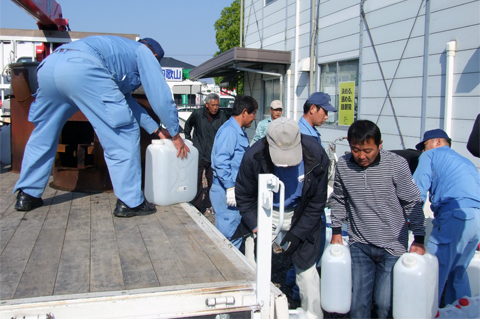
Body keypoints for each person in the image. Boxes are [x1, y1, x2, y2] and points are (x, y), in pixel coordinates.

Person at [13, 36, 189, 217]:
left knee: (43, 134)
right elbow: (160, 95)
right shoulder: (143, 52)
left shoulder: (118, 51)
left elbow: (128, 102)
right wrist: (176, 135)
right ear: (154, 54)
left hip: (50, 66)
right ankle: (131, 202)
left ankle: (28, 194)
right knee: (123, 133)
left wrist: (157, 130)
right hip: (82, 69)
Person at [234, 117, 329, 318]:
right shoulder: (254, 156)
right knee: (253, 263)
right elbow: (244, 195)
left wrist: (298, 233)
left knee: (307, 269)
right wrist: (256, 226)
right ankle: (255, 310)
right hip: (266, 210)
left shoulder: (316, 154)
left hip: (300, 211)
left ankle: (313, 314)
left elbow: (316, 202)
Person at [330, 120, 425, 319]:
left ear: (380, 145)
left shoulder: (396, 164)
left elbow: (411, 201)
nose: (362, 156)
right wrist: (337, 231)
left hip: (392, 246)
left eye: (368, 150)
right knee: (358, 306)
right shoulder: (344, 166)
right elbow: (339, 198)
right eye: (356, 150)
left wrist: (419, 238)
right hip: (360, 244)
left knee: (384, 305)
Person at [413, 129, 480, 305]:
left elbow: (416, 192)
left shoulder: (431, 155)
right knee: (458, 272)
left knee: (435, 269)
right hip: (477, 219)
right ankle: (463, 314)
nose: (422, 151)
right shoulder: (466, 161)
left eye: (424, 146)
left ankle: (427, 313)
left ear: (436, 142)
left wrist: (408, 218)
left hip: (455, 217)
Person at [210, 95, 257, 249]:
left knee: (236, 233)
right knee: (229, 238)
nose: (254, 118)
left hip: (232, 190)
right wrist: (230, 187)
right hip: (226, 191)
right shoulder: (230, 131)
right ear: (244, 112)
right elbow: (221, 162)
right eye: (253, 113)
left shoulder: (238, 131)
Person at [184, 93, 227, 213]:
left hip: (213, 155)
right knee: (196, 180)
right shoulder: (198, 114)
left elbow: (225, 132)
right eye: (212, 105)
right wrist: (189, 141)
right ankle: (195, 204)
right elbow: (188, 126)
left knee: (212, 181)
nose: (215, 108)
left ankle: (209, 204)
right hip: (198, 153)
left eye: (217, 105)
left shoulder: (222, 116)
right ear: (207, 105)